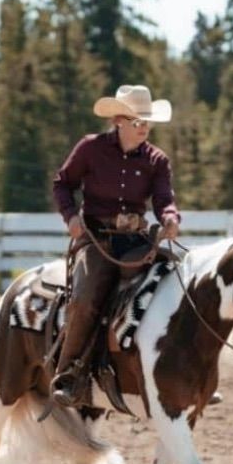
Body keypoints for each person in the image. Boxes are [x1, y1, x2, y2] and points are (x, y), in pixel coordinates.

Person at [49, 84, 181, 407]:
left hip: (137, 242)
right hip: (97, 241)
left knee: (175, 285)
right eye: (138, 121)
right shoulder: (90, 149)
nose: (144, 127)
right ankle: (68, 374)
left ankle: (182, 371)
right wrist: (70, 218)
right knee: (86, 297)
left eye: (147, 122)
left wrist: (170, 217)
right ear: (119, 120)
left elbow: (164, 199)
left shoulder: (156, 160)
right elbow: (63, 183)